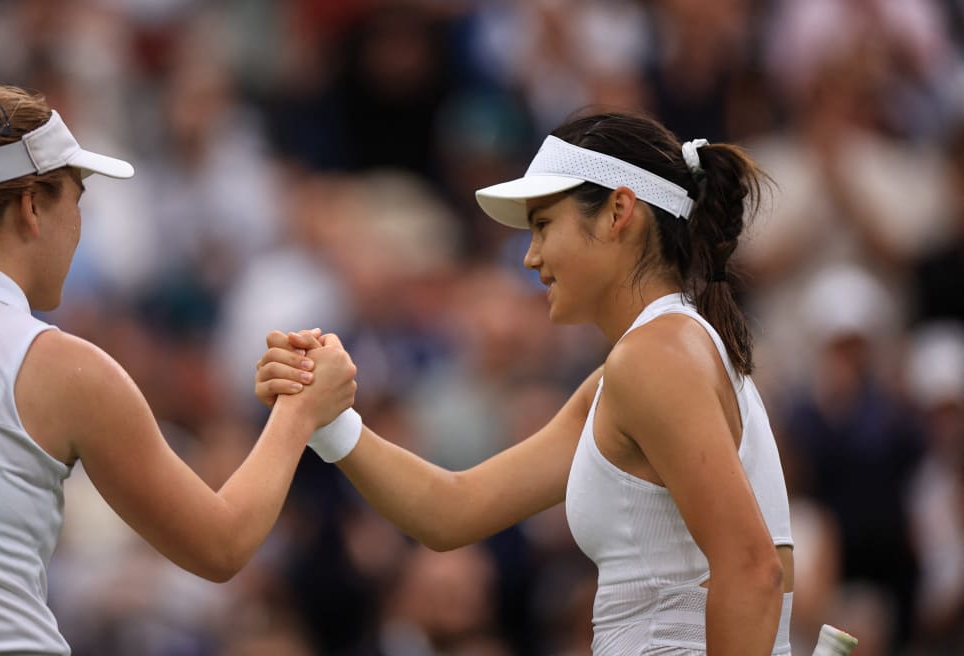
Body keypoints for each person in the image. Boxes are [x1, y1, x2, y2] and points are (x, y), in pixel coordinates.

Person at [257, 111, 795, 655]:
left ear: (618, 211)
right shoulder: (649, 362)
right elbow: (452, 510)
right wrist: (326, 418)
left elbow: (753, 572)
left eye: (543, 226)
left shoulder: (655, 358)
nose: (530, 256)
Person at [0, 84, 356, 656]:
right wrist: (300, 410)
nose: (79, 223)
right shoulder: (67, 369)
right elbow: (220, 546)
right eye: (77, 197)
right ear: (30, 208)